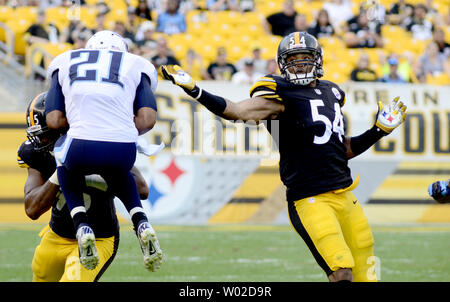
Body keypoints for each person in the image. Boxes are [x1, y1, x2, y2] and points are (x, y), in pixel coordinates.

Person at [161, 31, 407, 282]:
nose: (300, 63)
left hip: (345, 195)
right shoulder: (279, 93)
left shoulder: (332, 92)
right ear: (282, 63)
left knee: (368, 275)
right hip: (310, 199)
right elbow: (235, 111)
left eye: (305, 57)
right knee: (341, 271)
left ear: (318, 59)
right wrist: (196, 90)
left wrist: (378, 130)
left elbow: (341, 150)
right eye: (293, 58)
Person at [44, 30, 163, 271]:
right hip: (122, 149)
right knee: (119, 172)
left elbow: (54, 121)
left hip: (80, 145)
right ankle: (141, 221)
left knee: (63, 159)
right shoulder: (137, 64)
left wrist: (81, 123)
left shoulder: (64, 60)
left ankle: (81, 225)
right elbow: (148, 119)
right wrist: (120, 130)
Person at [18, 92, 151, 281]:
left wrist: (96, 166)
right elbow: (32, 209)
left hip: (98, 238)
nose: (41, 141)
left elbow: (141, 189)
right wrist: (61, 168)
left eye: (45, 135)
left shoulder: (97, 143)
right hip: (57, 235)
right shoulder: (35, 153)